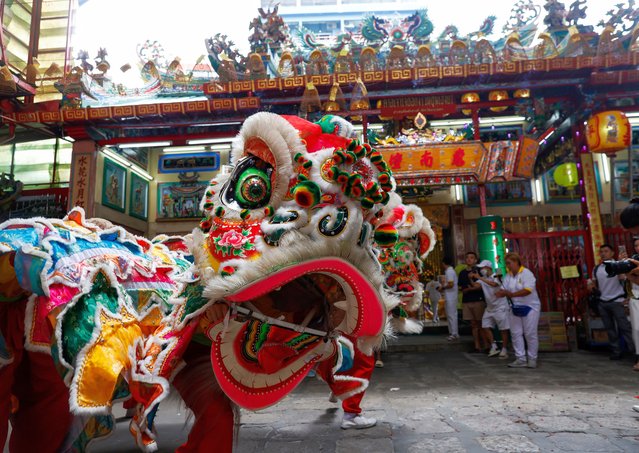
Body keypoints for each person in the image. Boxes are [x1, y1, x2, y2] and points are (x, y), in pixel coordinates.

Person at [588, 244, 634, 360]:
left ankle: (634, 352)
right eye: (601, 252)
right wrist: (591, 286)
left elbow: (624, 280)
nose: (603, 254)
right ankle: (616, 351)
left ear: (612, 253)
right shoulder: (597, 268)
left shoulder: (618, 266)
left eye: (606, 251)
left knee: (625, 328)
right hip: (603, 302)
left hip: (618, 301)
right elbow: (594, 283)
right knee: (610, 329)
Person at [496, 253, 541, 368]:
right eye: (506, 264)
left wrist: (511, 294)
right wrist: (500, 293)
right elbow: (503, 290)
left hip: (530, 307)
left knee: (530, 333)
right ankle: (520, 358)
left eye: (509, 263)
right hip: (515, 308)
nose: (508, 266)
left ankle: (532, 359)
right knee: (515, 333)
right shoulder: (508, 276)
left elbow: (528, 290)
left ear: (516, 262)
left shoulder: (526, 273)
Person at [471, 260, 509, 359]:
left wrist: (479, 277)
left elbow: (494, 284)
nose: (481, 270)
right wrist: (470, 278)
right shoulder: (483, 278)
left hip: (501, 306)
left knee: (503, 329)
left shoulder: (498, 275)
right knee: (485, 326)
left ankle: (504, 349)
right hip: (490, 307)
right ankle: (494, 346)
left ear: (488, 268)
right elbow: (475, 285)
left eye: (483, 268)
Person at [458, 252, 488, 352]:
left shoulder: (479, 271)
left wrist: (470, 289)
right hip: (467, 300)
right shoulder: (462, 273)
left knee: (481, 323)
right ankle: (477, 346)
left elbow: (482, 285)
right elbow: (460, 286)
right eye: (467, 258)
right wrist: (464, 289)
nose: (469, 259)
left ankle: (487, 345)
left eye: (471, 258)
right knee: (473, 324)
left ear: (475, 260)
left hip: (478, 299)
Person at [618, 237, 639, 371]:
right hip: (635, 297)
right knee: (636, 329)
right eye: (636, 245)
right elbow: (622, 278)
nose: (638, 247)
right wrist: (621, 265)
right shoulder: (631, 261)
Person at [442, 257, 459, 341]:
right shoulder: (450, 271)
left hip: (451, 296)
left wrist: (442, 287)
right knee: (451, 315)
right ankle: (453, 332)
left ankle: (454, 333)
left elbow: (451, 284)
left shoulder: (449, 271)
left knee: (451, 315)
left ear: (444, 263)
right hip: (451, 296)